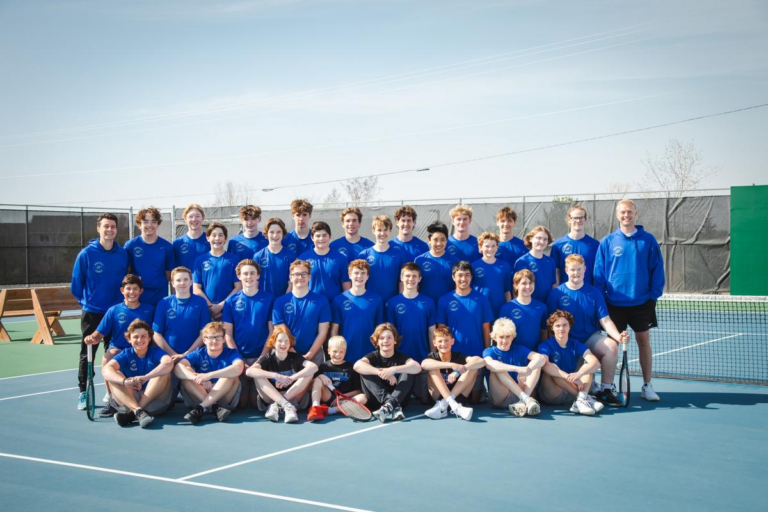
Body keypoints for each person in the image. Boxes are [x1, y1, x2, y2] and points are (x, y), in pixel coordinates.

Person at [594, 198, 665, 401]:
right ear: (617, 215)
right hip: (614, 304)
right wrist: (602, 300)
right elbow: (599, 274)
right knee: (611, 346)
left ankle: (647, 385)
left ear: (635, 213)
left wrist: (653, 296)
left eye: (629, 212)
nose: (626, 215)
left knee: (644, 341)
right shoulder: (607, 241)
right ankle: (608, 386)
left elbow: (657, 270)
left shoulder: (648, 240)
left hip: (642, 303)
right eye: (622, 212)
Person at [547, 254, 629, 406]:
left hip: (590, 338)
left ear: (585, 269)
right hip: (567, 342)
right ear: (566, 270)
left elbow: (605, 320)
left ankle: (606, 390)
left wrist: (618, 337)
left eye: (579, 269)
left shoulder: (594, 293)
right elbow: (551, 324)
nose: (575, 273)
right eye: (572, 270)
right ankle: (583, 392)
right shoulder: (556, 294)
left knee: (611, 346)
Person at [71, 212, 128, 410]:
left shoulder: (122, 253)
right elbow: (76, 284)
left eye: (113, 226)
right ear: (99, 228)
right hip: (93, 312)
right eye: (106, 226)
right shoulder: (86, 254)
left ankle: (111, 390)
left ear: (116, 229)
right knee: (88, 352)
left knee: (113, 352)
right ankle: (82, 392)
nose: (109, 230)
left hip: (115, 312)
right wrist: (87, 302)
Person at [84, 274, 155, 417]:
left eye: (135, 289)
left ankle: (150, 397)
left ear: (141, 291)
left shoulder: (150, 309)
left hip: (142, 349)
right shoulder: (114, 310)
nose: (132, 292)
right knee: (107, 358)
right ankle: (112, 401)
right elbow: (99, 334)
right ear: (122, 291)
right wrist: (92, 338)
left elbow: (156, 333)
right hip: (120, 350)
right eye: (128, 289)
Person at [436, 261, 493, 403]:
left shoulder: (481, 299)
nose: (463, 279)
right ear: (453, 277)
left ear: (472, 277)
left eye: (467, 275)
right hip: (453, 356)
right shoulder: (444, 300)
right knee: (451, 394)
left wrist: (486, 351)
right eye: (460, 275)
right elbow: (441, 331)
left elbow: (486, 328)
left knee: (475, 400)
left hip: (475, 354)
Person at [101, 320, 173, 428]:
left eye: (144, 336)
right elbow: (106, 369)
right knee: (114, 375)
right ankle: (138, 411)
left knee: (163, 373)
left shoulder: (155, 352)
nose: (140, 340)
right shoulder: (126, 354)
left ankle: (134, 412)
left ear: (149, 338)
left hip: (154, 402)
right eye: (135, 337)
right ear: (129, 339)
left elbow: (168, 362)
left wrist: (145, 377)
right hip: (129, 400)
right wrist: (124, 382)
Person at [222, 259, 274, 408]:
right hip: (240, 358)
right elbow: (228, 335)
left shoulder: (269, 299)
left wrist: (261, 360)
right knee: (242, 403)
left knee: (257, 403)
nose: (249, 276)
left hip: (261, 356)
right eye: (245, 273)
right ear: (239, 276)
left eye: (252, 273)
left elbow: (272, 332)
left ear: (258, 275)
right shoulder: (231, 301)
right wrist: (239, 360)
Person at [175, 321, 244, 424]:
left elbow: (238, 368)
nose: (214, 341)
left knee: (231, 375)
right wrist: (198, 378)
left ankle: (203, 407)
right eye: (210, 338)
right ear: (204, 340)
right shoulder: (199, 353)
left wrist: (208, 376)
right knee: (187, 375)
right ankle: (213, 407)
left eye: (218, 337)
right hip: (200, 395)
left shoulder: (231, 353)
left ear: (224, 339)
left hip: (224, 398)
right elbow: (178, 368)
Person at [246, 325, 318, 423]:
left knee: (309, 373)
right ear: (274, 342)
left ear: (290, 343)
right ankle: (283, 404)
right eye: (280, 341)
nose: (283, 344)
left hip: (292, 398)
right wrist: (276, 376)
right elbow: (249, 371)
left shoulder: (295, 357)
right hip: (270, 399)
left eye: (286, 341)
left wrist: (292, 378)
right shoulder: (267, 358)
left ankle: (281, 404)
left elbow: (314, 367)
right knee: (257, 374)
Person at [354, 323, 422, 423]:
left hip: (400, 400)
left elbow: (417, 367)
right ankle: (391, 405)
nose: (385, 341)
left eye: (389, 337)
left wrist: (393, 370)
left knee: (408, 370)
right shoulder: (373, 356)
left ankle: (390, 404)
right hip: (377, 402)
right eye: (381, 338)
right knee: (365, 370)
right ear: (377, 341)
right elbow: (357, 365)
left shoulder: (401, 357)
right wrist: (380, 372)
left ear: (395, 340)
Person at [538, 310, 602, 415]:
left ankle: (581, 399)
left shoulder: (576, 344)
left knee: (588, 365)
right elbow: (545, 365)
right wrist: (568, 376)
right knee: (552, 368)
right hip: (553, 394)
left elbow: (595, 363)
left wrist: (579, 374)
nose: (561, 329)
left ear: (569, 327)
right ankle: (583, 397)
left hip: (571, 392)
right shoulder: (545, 345)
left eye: (565, 325)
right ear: (552, 328)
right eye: (557, 326)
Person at [271, 260, 331, 365]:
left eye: (304, 274)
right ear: (290, 277)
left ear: (309, 277)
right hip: (285, 353)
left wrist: (309, 355)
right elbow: (279, 329)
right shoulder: (280, 301)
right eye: (296, 274)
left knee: (315, 381)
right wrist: (293, 353)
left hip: (313, 355)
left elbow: (323, 332)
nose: (300, 277)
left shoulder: (321, 301)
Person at [483, 318, 546, 417]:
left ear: (513, 337)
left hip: (520, 391)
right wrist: (518, 369)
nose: (504, 341)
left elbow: (541, 358)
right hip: (501, 396)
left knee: (536, 366)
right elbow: (490, 364)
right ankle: (525, 399)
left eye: (508, 337)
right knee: (497, 368)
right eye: (501, 337)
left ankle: (523, 401)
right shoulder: (489, 351)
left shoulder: (519, 349)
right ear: (494, 337)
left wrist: (527, 370)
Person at [421, 326, 483, 421]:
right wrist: (451, 365)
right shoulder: (433, 356)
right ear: (434, 343)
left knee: (472, 368)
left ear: (452, 341)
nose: (443, 344)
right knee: (433, 367)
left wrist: (460, 369)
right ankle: (454, 407)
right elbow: (424, 364)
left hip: (457, 397)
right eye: (440, 341)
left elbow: (480, 361)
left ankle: (447, 404)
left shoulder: (458, 356)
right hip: (437, 397)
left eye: (446, 340)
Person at [153, 267, 212, 364]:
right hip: (169, 356)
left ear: (191, 281)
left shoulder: (200, 303)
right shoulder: (164, 303)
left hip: (194, 355)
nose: (182, 283)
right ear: (172, 283)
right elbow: (157, 334)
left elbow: (204, 333)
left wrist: (186, 354)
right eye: (178, 280)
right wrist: (172, 354)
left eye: (185, 279)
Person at [331, 259, 384, 364]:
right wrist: (337, 351)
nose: (359, 276)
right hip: (345, 354)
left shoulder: (377, 300)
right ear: (350, 275)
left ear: (367, 276)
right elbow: (334, 331)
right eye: (356, 273)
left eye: (363, 273)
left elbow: (380, 330)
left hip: (369, 354)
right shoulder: (339, 300)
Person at [386, 262, 436, 364]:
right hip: (399, 357)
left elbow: (432, 331)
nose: (411, 279)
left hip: (423, 355)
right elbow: (390, 332)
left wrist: (433, 355)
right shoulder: (392, 303)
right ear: (401, 278)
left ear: (419, 279)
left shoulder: (428, 302)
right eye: (407, 276)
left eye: (414, 276)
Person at [307, 335, 367, 422]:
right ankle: (315, 408)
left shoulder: (351, 368)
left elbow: (358, 391)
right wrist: (320, 376)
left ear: (345, 352)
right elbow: (311, 386)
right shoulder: (323, 366)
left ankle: (329, 411)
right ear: (328, 351)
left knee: (363, 398)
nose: (338, 354)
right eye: (334, 351)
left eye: (341, 352)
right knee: (317, 379)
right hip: (328, 397)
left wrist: (341, 398)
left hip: (345, 401)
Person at [124, 207, 174, 307]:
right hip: (137, 299)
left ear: (158, 224)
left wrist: (174, 299)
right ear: (139, 224)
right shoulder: (130, 245)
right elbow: (126, 274)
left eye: (153, 221)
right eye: (146, 221)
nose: (149, 225)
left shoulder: (167, 247)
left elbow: (170, 277)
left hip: (160, 298)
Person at [193, 222, 242, 320]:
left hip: (228, 309)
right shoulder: (200, 260)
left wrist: (221, 306)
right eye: (214, 235)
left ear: (225, 239)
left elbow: (238, 287)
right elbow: (196, 289)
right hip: (206, 310)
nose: (217, 238)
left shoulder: (233, 260)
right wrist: (210, 306)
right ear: (208, 238)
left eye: (220, 235)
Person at [358, 215, 408, 303]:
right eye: (379, 230)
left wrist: (400, 300)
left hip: (392, 302)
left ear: (390, 230)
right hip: (370, 303)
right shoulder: (364, 255)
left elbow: (402, 281)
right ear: (373, 231)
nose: (382, 233)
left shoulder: (398, 254)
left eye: (385, 230)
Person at [299, 221, 351, 301]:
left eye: (324, 235)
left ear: (330, 237)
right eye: (318, 236)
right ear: (312, 238)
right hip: (312, 304)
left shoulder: (340, 258)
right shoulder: (303, 258)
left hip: (334, 305)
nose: (321, 239)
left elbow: (346, 284)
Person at [499, 270, 548, 350]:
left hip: (535, 355)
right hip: (513, 356)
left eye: (531, 283)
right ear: (516, 285)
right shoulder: (506, 308)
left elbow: (544, 332)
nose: (528, 286)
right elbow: (500, 334)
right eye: (524, 283)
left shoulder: (542, 307)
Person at [550, 205, 599, 285]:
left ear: (585, 219)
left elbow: (598, 271)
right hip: (565, 294)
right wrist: (557, 292)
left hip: (587, 292)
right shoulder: (558, 245)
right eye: (575, 218)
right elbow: (556, 272)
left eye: (581, 217)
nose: (578, 220)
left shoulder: (595, 245)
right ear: (569, 220)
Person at [414, 221, 458, 303]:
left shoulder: (454, 261)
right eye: (435, 239)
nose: (439, 243)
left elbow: (457, 287)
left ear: (446, 241)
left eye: (442, 240)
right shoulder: (419, 260)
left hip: (447, 305)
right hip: (426, 306)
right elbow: (415, 286)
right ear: (429, 240)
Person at [472, 232, 512, 318]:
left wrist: (509, 309)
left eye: (493, 246)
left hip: (499, 308)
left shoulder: (505, 266)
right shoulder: (474, 266)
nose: (490, 249)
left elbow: (507, 292)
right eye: (487, 246)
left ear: (497, 247)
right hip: (480, 308)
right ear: (480, 247)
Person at [513, 226, 557, 303]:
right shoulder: (522, 261)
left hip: (547, 304)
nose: (542, 241)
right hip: (529, 306)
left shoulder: (550, 261)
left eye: (545, 239)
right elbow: (516, 288)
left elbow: (553, 284)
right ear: (531, 239)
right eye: (538, 238)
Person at [254, 217, 296, 297]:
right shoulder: (258, 256)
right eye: (271, 232)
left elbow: (291, 282)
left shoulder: (291, 256)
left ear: (283, 234)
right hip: (264, 301)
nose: (275, 235)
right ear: (266, 234)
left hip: (284, 301)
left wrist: (284, 300)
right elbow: (255, 282)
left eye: (278, 232)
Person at [173, 204, 210, 271]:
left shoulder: (210, 241)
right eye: (190, 216)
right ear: (185, 219)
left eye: (197, 216)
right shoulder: (177, 243)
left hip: (205, 281)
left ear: (203, 218)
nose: (194, 219)